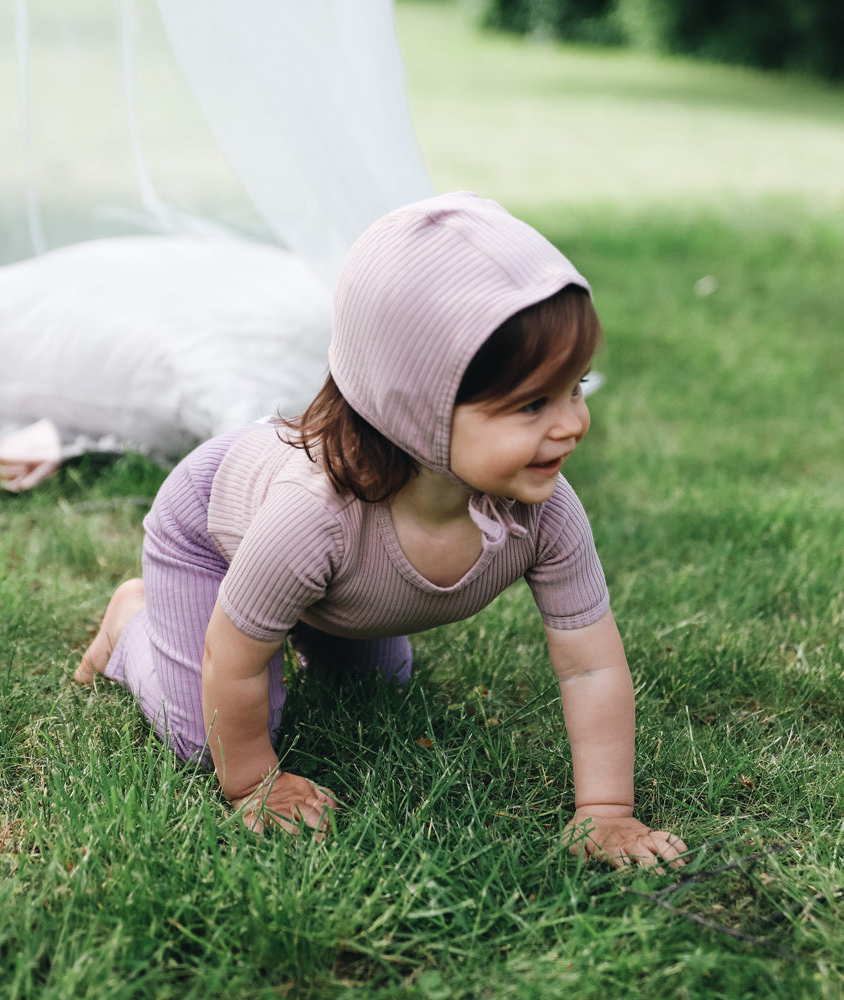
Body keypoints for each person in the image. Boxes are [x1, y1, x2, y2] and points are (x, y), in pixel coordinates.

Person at [74, 191, 687, 869]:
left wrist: (605, 814)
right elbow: (234, 659)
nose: (572, 423)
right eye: (533, 404)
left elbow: (592, 664)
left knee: (376, 685)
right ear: (415, 403)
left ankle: (297, 618)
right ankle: (133, 623)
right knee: (205, 734)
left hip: (336, 588)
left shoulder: (544, 512)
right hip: (214, 534)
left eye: (576, 388)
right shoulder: (313, 517)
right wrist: (255, 783)